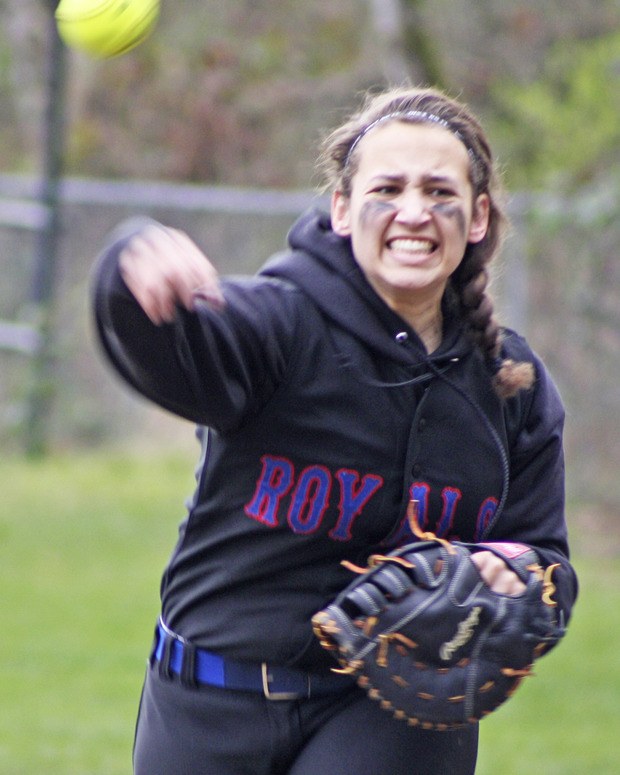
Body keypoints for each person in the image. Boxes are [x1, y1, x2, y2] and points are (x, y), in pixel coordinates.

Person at [91, 85, 578, 775]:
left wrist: (523, 575)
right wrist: (132, 268)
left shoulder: (510, 382)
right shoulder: (279, 325)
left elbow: (547, 559)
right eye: (388, 188)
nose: (414, 212)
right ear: (343, 210)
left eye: (440, 191)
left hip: (393, 716)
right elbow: (174, 358)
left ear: (477, 217)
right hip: (209, 703)